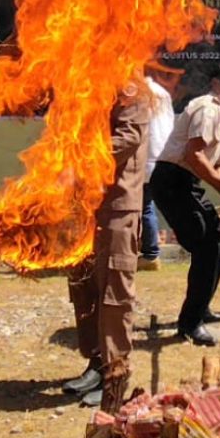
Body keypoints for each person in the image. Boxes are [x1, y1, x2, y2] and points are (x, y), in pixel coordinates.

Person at [150, 62, 220, 346]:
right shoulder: (207, 108)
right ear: (216, 84)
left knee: (217, 242)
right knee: (209, 245)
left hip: (186, 182)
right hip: (173, 180)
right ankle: (190, 323)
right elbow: (194, 155)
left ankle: (200, 308)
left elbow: (214, 162)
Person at [63, 88, 150, 406]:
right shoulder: (88, 81)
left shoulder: (131, 88)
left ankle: (115, 375)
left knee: (114, 292)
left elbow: (127, 138)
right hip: (82, 206)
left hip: (117, 207)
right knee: (84, 287)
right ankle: (95, 363)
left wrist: (78, 160)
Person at [139, 64, 180, 271]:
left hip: (145, 157)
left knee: (144, 207)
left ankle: (150, 254)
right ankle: (148, 250)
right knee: (147, 205)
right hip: (163, 155)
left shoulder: (138, 92)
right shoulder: (161, 92)